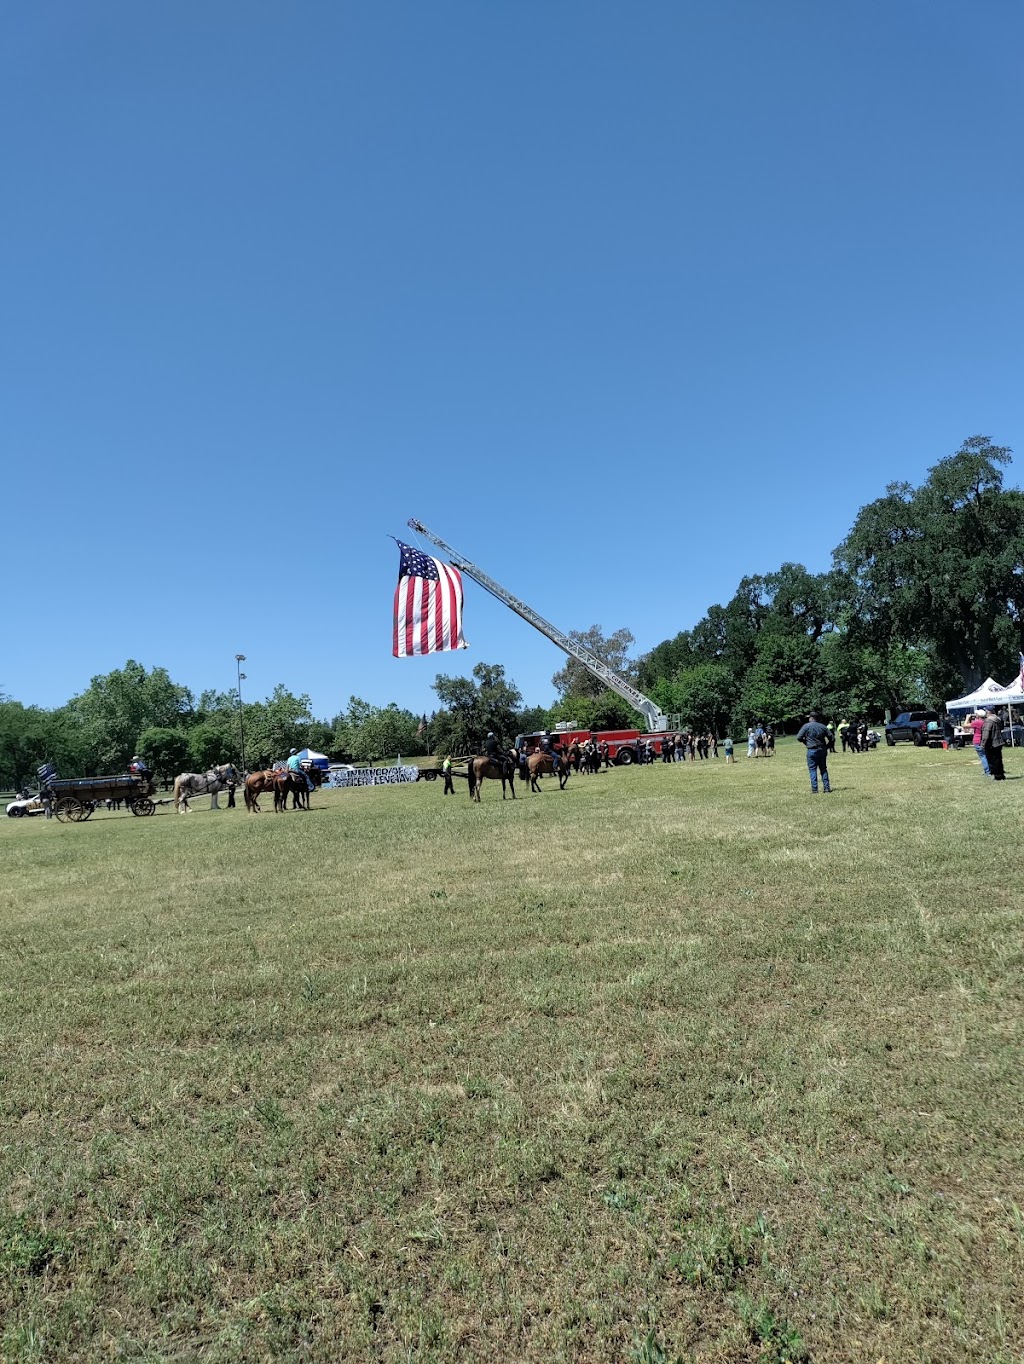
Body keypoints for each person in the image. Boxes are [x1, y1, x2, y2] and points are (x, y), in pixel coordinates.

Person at [796, 710, 832, 794]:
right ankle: (826, 788)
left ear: (811, 718)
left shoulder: (806, 726)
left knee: (812, 769)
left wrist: (805, 742)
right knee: (823, 769)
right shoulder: (823, 726)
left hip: (811, 749)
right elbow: (831, 737)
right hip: (822, 749)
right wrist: (827, 746)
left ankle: (815, 789)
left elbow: (799, 737)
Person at [981, 707, 1005, 781]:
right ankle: (1001, 774)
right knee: (998, 759)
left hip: (991, 743)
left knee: (992, 760)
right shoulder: (997, 719)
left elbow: (986, 733)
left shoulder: (989, 720)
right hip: (998, 741)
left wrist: (983, 744)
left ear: (988, 712)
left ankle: (996, 775)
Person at [969, 711, 990, 776]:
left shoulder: (977, 722)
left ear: (978, 715)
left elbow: (965, 725)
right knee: (986, 756)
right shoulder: (986, 721)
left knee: (983, 756)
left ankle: (987, 771)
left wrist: (967, 717)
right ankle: (988, 770)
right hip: (985, 739)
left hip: (978, 740)